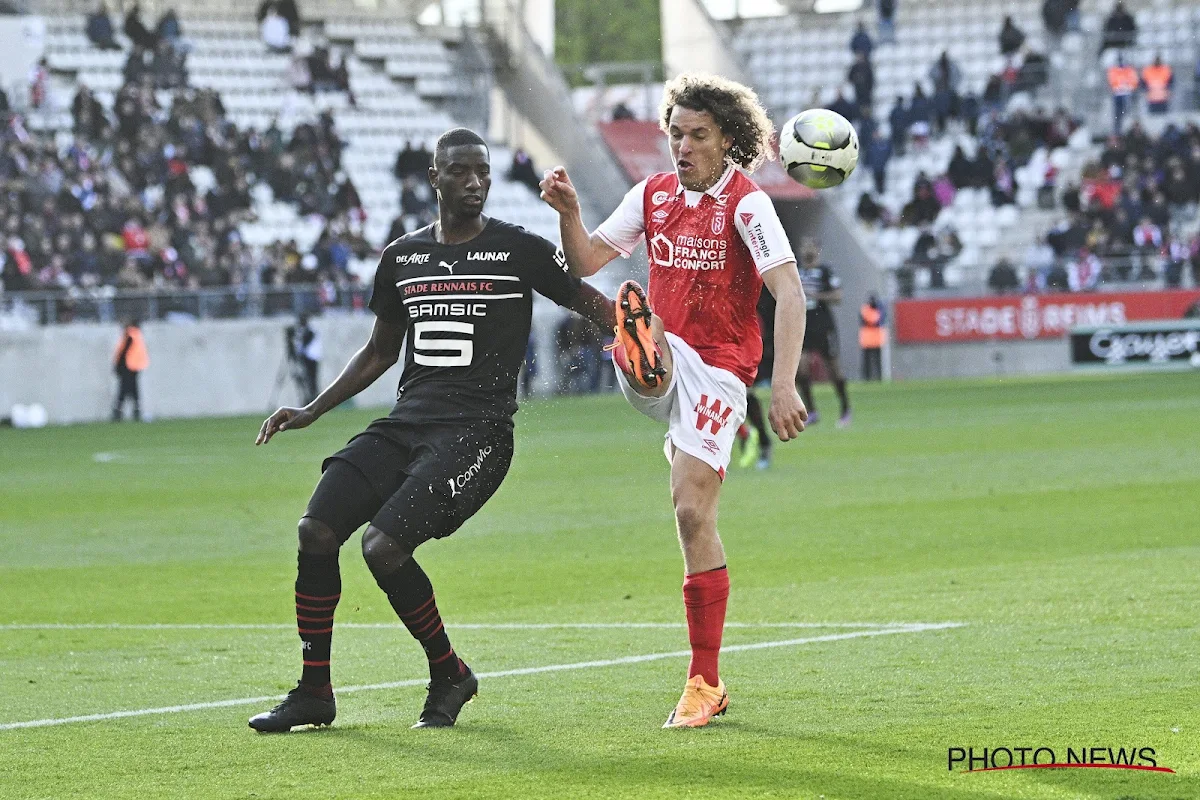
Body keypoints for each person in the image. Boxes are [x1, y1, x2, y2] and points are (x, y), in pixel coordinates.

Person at [247, 128, 618, 733]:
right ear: (434, 177)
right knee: (316, 530)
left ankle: (450, 673)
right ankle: (315, 692)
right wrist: (312, 410)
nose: (475, 182)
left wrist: (645, 329)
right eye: (462, 172)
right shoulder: (402, 257)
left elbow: (590, 302)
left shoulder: (519, 249)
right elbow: (379, 352)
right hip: (407, 424)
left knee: (383, 547)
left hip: (479, 435)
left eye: (483, 172)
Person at [539, 73, 809, 728]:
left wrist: (782, 383)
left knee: (691, 513)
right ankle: (641, 350)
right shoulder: (652, 195)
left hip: (719, 371)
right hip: (667, 350)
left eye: (697, 136)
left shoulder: (747, 204)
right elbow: (583, 261)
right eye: (675, 134)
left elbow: (790, 292)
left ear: (728, 141)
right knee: (639, 322)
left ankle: (705, 682)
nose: (681, 147)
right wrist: (569, 214)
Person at [795, 241, 851, 428]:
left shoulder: (826, 271)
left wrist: (815, 295)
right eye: (804, 246)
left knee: (833, 369)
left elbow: (838, 296)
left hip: (823, 325)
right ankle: (811, 411)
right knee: (800, 369)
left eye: (810, 246)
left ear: (817, 249)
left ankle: (845, 409)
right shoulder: (796, 271)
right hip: (803, 324)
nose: (806, 250)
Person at [112, 319, 149, 421]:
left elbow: (123, 352)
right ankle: (136, 410)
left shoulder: (130, 334)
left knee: (124, 389)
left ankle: (118, 411)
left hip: (128, 366)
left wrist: (118, 365)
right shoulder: (137, 334)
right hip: (135, 366)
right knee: (134, 389)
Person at [287, 314, 321, 404]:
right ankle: (310, 399)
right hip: (309, 358)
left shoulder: (310, 332)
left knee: (311, 380)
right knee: (308, 380)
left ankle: (313, 399)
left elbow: (304, 345)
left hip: (311, 358)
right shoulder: (306, 331)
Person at [1107, 55, 1139, 134]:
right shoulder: (1114, 71)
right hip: (1117, 95)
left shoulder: (1129, 70)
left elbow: (1134, 82)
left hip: (1127, 94)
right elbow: (1111, 82)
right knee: (1118, 114)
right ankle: (1118, 130)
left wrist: (1128, 87)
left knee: (1127, 111)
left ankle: (1128, 127)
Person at [859, 295, 885, 381]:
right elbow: (874, 320)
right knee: (867, 362)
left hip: (876, 339)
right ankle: (866, 378)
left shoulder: (878, 309)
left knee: (877, 361)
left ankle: (879, 378)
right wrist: (881, 310)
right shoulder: (866, 309)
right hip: (867, 339)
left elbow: (882, 319)